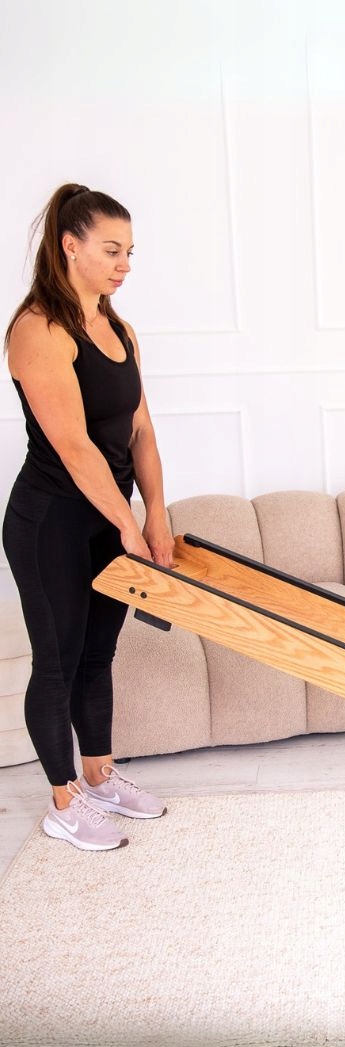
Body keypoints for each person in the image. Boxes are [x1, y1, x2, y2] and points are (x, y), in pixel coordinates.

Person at [3, 183, 174, 851]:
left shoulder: (119, 328)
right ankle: (63, 800)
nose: (124, 264)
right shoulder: (38, 329)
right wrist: (128, 527)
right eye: (111, 250)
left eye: (129, 252)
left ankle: (99, 777)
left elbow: (141, 431)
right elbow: (74, 446)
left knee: (98, 654)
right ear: (70, 246)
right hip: (51, 523)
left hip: (109, 518)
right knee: (58, 661)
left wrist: (155, 515)